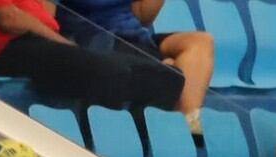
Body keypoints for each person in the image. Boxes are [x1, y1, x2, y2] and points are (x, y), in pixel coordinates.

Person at [0, 0, 186, 115]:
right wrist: (64, 44)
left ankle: (162, 78)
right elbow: (9, 19)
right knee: (112, 73)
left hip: (44, 42)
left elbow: (47, 15)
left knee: (172, 78)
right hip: (7, 48)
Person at [54, 0, 211, 134]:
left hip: (135, 38)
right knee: (169, 70)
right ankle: (186, 132)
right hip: (94, 38)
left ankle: (187, 127)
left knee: (202, 42)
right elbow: (48, 13)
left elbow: (143, 16)